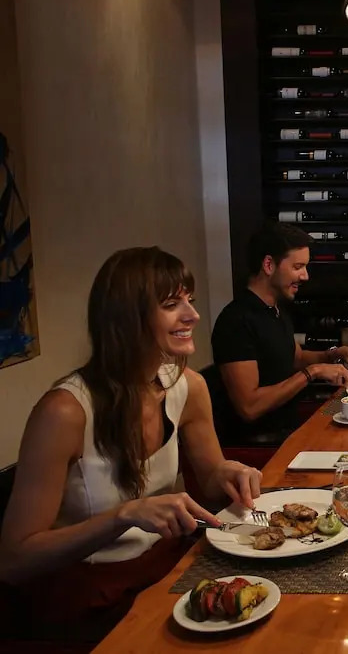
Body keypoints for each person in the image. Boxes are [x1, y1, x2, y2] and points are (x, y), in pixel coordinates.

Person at [0, 247, 262, 643]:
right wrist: (122, 516)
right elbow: (15, 560)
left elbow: (210, 482)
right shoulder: (64, 412)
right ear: (126, 319)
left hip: (167, 569)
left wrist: (230, 472)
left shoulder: (188, 387)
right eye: (172, 304)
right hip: (88, 596)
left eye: (189, 300)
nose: (192, 315)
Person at [211, 222, 348, 443]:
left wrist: (335, 354)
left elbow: (295, 358)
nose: (305, 276)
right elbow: (249, 407)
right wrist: (312, 372)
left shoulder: (275, 310)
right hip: (260, 448)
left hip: (291, 431)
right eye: (298, 267)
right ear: (268, 265)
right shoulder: (236, 321)